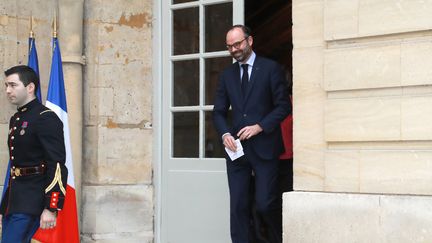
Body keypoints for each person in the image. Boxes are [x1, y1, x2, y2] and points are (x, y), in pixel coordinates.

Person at [213, 25, 291, 243]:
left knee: (266, 204)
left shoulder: (271, 69)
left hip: (265, 147)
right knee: (238, 206)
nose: (234, 50)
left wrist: (260, 126)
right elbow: (218, 112)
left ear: (250, 41)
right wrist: (224, 134)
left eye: (237, 44)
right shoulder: (226, 75)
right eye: (229, 47)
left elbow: (283, 107)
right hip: (236, 151)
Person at [0, 65, 68, 242]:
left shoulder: (45, 118)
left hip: (32, 200)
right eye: (6, 85)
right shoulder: (17, 119)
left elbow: (57, 163)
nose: (8, 90)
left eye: (13, 85)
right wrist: (4, 206)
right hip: (15, 200)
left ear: (30, 87)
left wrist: (51, 207)